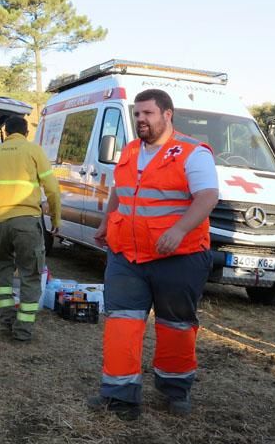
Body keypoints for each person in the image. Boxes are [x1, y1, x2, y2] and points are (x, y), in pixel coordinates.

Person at [87, 89, 219, 421]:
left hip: (179, 257)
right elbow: (121, 190)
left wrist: (178, 231)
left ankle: (175, 391)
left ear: (167, 114)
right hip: (127, 256)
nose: (141, 120)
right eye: (137, 114)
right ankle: (119, 396)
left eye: (147, 113)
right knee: (121, 323)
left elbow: (207, 197)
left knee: (176, 326)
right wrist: (106, 223)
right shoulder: (130, 150)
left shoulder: (192, 153)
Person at [0, 116, 62, 342]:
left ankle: (6, 321)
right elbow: (52, 189)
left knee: (3, 270)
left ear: (5, 133)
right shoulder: (33, 151)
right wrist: (56, 218)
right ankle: (23, 329)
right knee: (30, 273)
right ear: (26, 133)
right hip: (26, 221)